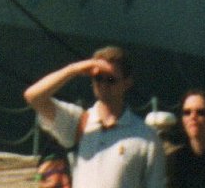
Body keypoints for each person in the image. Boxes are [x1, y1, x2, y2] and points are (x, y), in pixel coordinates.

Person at [25, 47, 165, 188]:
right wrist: (74, 69)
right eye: (98, 78)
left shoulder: (147, 137)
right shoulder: (78, 122)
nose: (103, 85)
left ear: (127, 83)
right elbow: (34, 97)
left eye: (110, 79)